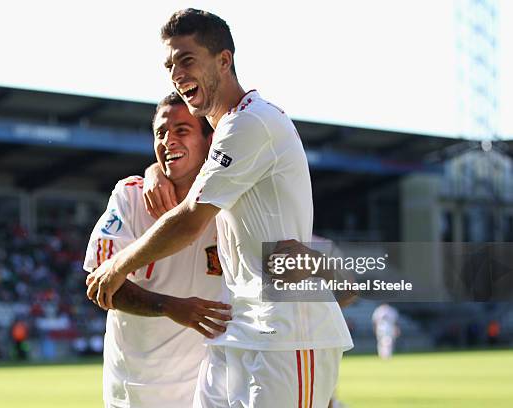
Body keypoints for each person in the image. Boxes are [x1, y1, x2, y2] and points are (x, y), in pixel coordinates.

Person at [87, 9, 353, 407]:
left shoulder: (251, 123)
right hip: (237, 329)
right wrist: (157, 170)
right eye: (170, 64)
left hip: (285, 332)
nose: (176, 73)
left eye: (187, 60)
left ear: (224, 60)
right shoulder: (227, 134)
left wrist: (118, 264)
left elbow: (191, 219)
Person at [84, 93, 231, 408]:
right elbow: (102, 286)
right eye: (161, 133)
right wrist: (170, 306)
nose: (168, 141)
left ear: (209, 141)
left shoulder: (230, 207)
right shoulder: (130, 197)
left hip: (204, 392)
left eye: (182, 130)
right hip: (133, 390)